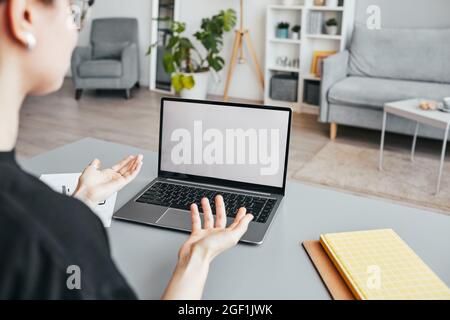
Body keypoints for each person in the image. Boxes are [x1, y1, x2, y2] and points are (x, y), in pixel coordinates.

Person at [0, 0, 254, 299]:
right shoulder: (51, 241)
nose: (78, 29)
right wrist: (197, 257)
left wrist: (82, 201)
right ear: (24, 15)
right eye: (74, 12)